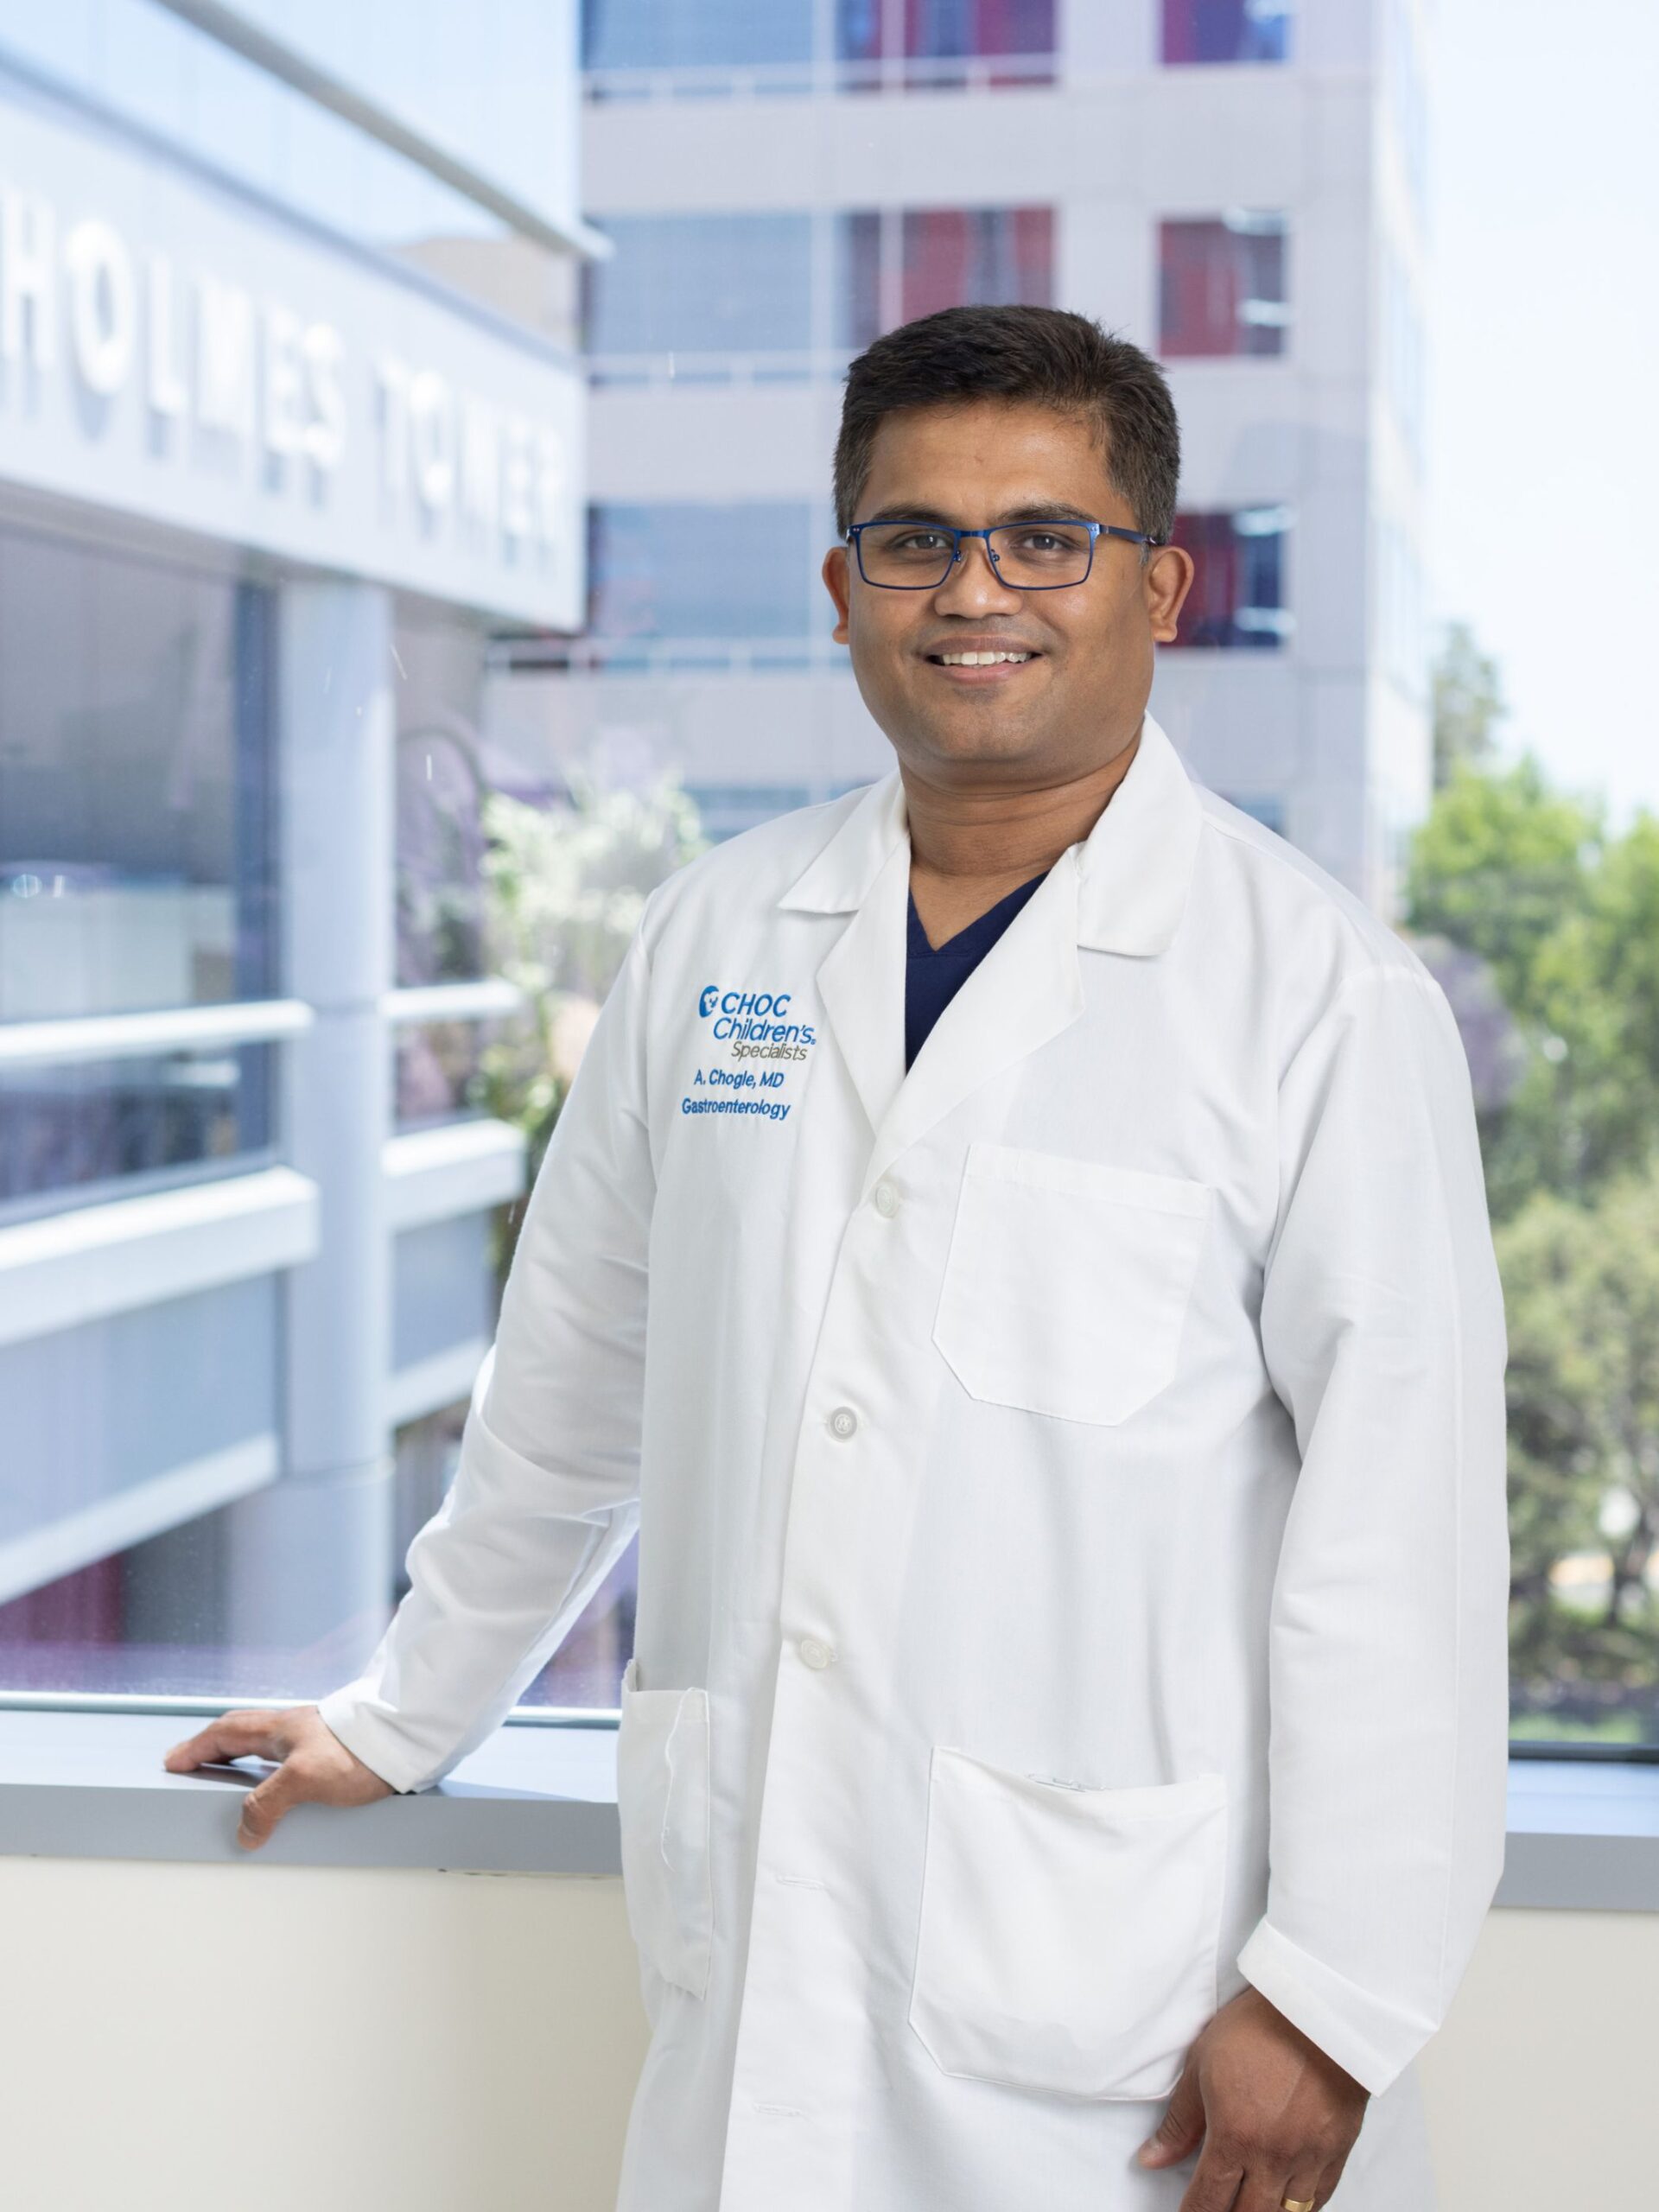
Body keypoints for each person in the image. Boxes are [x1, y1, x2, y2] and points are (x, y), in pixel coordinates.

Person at [164, 305, 1510, 2212]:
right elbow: (570, 1388)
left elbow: (1407, 1538)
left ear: (1162, 586)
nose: (978, 590)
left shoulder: (1316, 1002)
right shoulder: (718, 935)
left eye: (1048, 536)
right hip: (760, 1971)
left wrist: (1337, 1991)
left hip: (1132, 2027)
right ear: (841, 582)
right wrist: (402, 1709)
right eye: (916, 538)